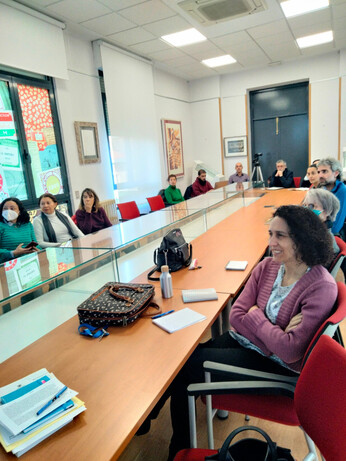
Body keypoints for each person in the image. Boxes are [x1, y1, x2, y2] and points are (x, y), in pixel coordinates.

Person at [138, 205, 337, 460]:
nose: (271, 242)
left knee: (185, 370)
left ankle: (175, 448)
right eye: (270, 234)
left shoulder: (321, 286)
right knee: (180, 360)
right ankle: (167, 435)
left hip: (276, 368)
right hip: (246, 343)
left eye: (280, 236)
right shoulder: (268, 266)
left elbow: (289, 352)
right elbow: (236, 316)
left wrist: (255, 317)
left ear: (302, 239)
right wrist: (274, 334)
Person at [0, 197, 39, 263]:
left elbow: (35, 243)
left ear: (19, 211)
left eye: (12, 208)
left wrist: (38, 251)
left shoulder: (27, 224)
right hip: (8, 264)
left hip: (30, 261)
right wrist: (13, 253)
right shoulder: (1, 226)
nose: (8, 211)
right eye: (5, 209)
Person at [318, 158, 346, 235]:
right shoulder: (323, 188)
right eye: (319, 172)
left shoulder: (342, 191)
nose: (320, 175)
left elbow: (336, 227)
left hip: (335, 235)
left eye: (324, 171)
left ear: (336, 173)